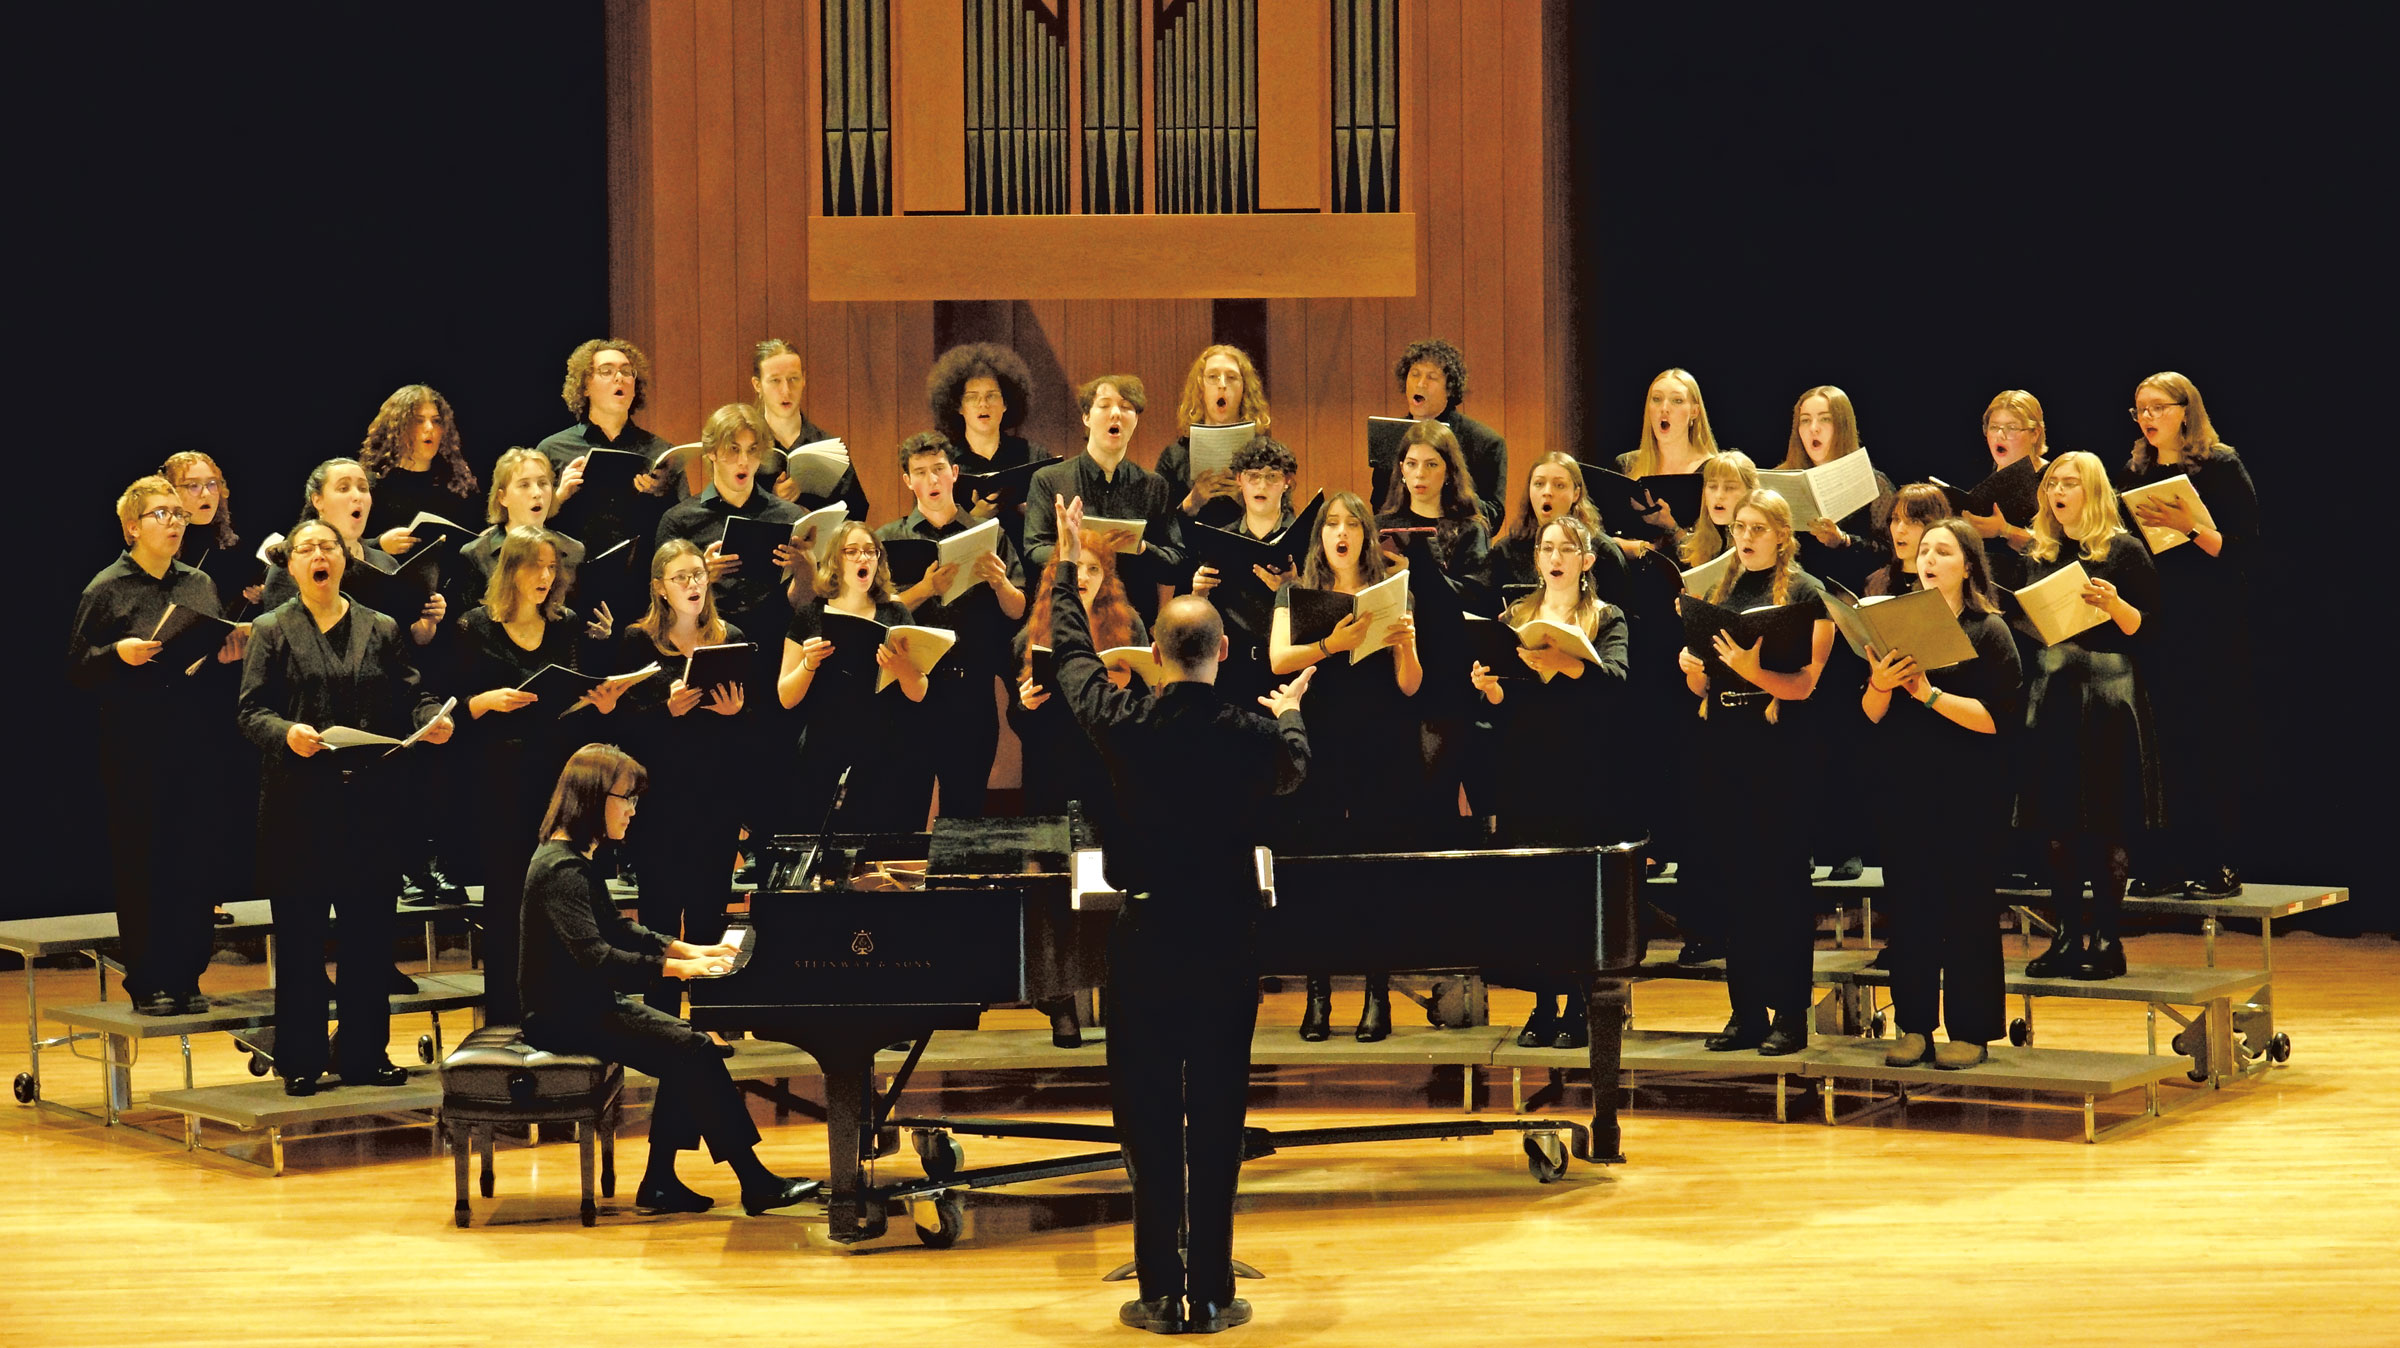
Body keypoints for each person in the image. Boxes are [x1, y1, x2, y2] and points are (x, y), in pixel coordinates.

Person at [1048, 494, 1310, 1337]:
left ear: (1156, 656)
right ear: (1226, 651)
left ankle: (1160, 1288)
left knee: (1151, 1113)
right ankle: (1216, 1291)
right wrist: (1293, 713)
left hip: (1148, 939)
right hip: (1227, 938)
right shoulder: (1249, 735)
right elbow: (1297, 769)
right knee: (1220, 1112)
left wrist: (1065, 571)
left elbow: (1069, 659)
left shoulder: (1126, 725)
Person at [518, 743, 820, 1216]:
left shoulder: (571, 858)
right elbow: (596, 957)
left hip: (583, 1004)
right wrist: (677, 969)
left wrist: (688, 949)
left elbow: (618, 927)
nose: (634, 810)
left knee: (688, 1045)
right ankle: (751, 1180)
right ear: (594, 798)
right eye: (627, 799)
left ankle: (662, 1181)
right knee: (693, 1047)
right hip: (562, 1015)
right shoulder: (561, 869)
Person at [236, 518, 454, 1094]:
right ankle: (301, 1057)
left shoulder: (379, 626)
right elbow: (251, 710)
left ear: (344, 560)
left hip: (369, 805)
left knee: (369, 936)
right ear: (292, 565)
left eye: (326, 547)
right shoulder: (271, 628)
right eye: (305, 549)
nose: (317, 556)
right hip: (298, 806)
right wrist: (286, 733)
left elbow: (414, 692)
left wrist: (430, 722)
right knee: (303, 938)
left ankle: (363, 1053)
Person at [68, 476, 247, 1015]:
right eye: (160, 514)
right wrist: (115, 655)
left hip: (194, 737)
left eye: (177, 513)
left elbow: (207, 669)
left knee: (193, 856)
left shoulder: (199, 585)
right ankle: (148, 978)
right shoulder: (106, 588)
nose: (174, 521)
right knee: (145, 859)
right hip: (134, 742)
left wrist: (224, 657)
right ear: (131, 528)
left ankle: (188, 974)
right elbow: (77, 669)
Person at [452, 526, 637, 1023]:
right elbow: (451, 707)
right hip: (501, 780)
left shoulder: (567, 624)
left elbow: (576, 698)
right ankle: (507, 1016)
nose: (546, 575)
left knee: (570, 889)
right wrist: (484, 702)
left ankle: (570, 1009)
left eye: (552, 567)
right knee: (508, 897)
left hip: (560, 777)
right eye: (535, 565)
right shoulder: (474, 626)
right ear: (510, 570)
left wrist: (601, 705)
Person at [1676, 490, 1835, 1055]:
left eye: (1758, 529)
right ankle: (1744, 1013)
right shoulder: (1720, 589)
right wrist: (1694, 669)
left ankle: (1790, 1014)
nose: (1744, 538)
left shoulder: (1806, 593)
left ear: (1782, 536)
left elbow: (1806, 684)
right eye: (1739, 528)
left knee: (1782, 887)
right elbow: (1703, 686)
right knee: (1734, 883)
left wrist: (1752, 670)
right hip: (1726, 746)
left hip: (1782, 751)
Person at [1859, 520, 2023, 1068]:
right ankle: (1913, 1026)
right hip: (1904, 787)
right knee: (1909, 910)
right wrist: (1881, 685)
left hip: (1967, 792)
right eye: (1924, 550)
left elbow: (1998, 720)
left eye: (1943, 551)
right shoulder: (1893, 623)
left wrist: (1928, 695)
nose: (1928, 558)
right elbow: (1869, 715)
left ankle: (1972, 1029)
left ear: (1968, 565)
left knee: (1968, 911)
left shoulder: (1987, 630)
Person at [1467, 515, 1629, 1048]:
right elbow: (1508, 703)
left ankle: (1581, 1006)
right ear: (1536, 559)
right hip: (1528, 770)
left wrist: (1569, 662)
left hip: (1584, 771)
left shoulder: (1607, 617)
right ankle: (1542, 1005)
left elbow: (1619, 688)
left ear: (1587, 561)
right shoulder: (1515, 616)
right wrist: (1489, 688)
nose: (1555, 557)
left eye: (1566, 549)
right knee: (1534, 892)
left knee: (1575, 894)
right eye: (1546, 548)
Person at [1267, 492, 1422, 1042]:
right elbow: (1279, 659)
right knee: (1319, 871)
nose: (1341, 533)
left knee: (1374, 870)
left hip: (1379, 742)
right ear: (1321, 538)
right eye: (1331, 524)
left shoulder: (1390, 593)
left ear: (1365, 536)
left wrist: (1404, 644)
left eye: (1351, 525)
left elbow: (1409, 685)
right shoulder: (1296, 593)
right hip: (1319, 741)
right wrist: (1332, 644)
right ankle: (1318, 994)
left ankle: (1377, 995)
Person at [2014, 452, 2161, 982]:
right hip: (2054, 686)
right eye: (2052, 482)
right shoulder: (2040, 551)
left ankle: (2107, 937)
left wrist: (2117, 606)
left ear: (2092, 491)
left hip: (2106, 691)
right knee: (2056, 820)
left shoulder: (2123, 551)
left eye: (2069, 483)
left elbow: (2151, 629)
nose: (2058, 490)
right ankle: (2066, 934)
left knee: (2106, 816)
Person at [2115, 371, 2257, 900]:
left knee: (2210, 741)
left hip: (2210, 624)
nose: (2148, 417)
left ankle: (2220, 861)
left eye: (2157, 407)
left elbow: (2244, 547)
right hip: (2156, 620)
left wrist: (2190, 526)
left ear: (2185, 410)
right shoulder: (2136, 470)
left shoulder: (2219, 464)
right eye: (2139, 409)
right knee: (2161, 745)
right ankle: (2168, 861)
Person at [614, 541, 750, 1016]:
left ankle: (713, 1015)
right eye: (680, 577)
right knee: (661, 912)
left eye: (698, 575)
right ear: (660, 589)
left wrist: (735, 714)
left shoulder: (728, 635)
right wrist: (664, 712)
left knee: (711, 908)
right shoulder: (636, 641)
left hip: (716, 796)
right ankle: (663, 1017)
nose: (693, 584)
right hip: (660, 800)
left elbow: (752, 730)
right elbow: (621, 728)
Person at [878, 432, 1027, 821]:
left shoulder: (987, 534)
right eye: (921, 472)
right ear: (907, 480)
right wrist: (926, 589)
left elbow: (1017, 610)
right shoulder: (887, 539)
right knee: (903, 808)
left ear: (955, 473)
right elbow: (876, 613)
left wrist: (999, 582)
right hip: (908, 689)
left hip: (970, 690)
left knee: (966, 809)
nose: (931, 480)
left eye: (939, 470)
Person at [1781, 387, 1891, 882]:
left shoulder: (1871, 483)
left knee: (1846, 737)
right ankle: (1800, 841)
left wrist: (1842, 541)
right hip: (1799, 619)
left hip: (1848, 622)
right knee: (1797, 738)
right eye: (1805, 420)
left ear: (1841, 425)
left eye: (1824, 419)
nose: (1814, 429)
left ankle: (1850, 843)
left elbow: (1891, 554)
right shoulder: (1784, 482)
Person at [777, 523, 930, 832]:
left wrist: (903, 669)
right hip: (824, 748)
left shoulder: (895, 613)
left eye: (870, 552)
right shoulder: (811, 615)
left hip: (884, 749)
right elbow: (786, 697)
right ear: (835, 560)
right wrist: (808, 664)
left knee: (877, 848)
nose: (864, 558)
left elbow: (920, 691)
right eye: (852, 551)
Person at [1023, 375, 1186, 624]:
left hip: (1133, 620)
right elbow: (1034, 551)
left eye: (1126, 407)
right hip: (1067, 616)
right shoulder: (1049, 480)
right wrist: (1081, 549)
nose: (1116, 414)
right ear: (1086, 417)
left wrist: (1142, 548)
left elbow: (1175, 563)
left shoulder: (1155, 486)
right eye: (1105, 405)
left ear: (1136, 420)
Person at [260, 459, 448, 647]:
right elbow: (279, 643)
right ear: (318, 500)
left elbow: (409, 642)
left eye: (363, 488)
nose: (357, 496)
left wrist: (427, 622)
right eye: (343, 488)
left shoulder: (387, 564)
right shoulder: (292, 564)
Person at [1187, 436, 1303, 707]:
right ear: (1239, 480)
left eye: (1272, 476)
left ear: (1286, 482)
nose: (1262, 485)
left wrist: (1293, 589)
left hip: (1287, 669)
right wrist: (1198, 593)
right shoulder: (1219, 539)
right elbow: (1204, 618)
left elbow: (1321, 615)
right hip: (1233, 672)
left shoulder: (1305, 538)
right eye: (1253, 476)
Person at [543, 339, 676, 557]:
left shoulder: (660, 451)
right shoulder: (553, 449)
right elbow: (529, 526)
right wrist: (559, 496)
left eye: (627, 371)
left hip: (640, 580)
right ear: (585, 386)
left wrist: (662, 493)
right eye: (606, 371)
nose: (619, 377)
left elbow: (678, 527)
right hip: (569, 581)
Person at [926, 341, 1054, 553]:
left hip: (1025, 567)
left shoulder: (1034, 456)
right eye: (972, 397)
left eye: (991, 395)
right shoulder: (943, 464)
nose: (983, 404)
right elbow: (928, 536)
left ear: (1006, 404)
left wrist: (1034, 513)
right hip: (967, 572)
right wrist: (974, 519)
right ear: (959, 406)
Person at [1154, 344, 1283, 536]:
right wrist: (1193, 502)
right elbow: (1157, 530)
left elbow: (1285, 524)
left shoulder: (1267, 455)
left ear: (1244, 389)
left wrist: (1249, 499)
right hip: (1191, 561)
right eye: (1212, 377)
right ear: (1201, 388)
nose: (1222, 384)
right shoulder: (1174, 456)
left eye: (1231, 378)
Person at [1387, 339, 1505, 530]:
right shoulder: (1391, 435)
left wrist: (1452, 487)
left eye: (1431, 377)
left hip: (1459, 545)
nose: (1420, 384)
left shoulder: (1485, 441)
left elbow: (1494, 516)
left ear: (1449, 388)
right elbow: (1381, 505)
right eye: (1414, 375)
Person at [358, 385, 480, 557]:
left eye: (436, 421)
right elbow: (341, 545)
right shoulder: (370, 485)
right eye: (418, 420)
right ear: (397, 428)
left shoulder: (457, 485)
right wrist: (378, 545)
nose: (429, 427)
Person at [752, 338, 869, 515]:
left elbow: (856, 510)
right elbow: (726, 510)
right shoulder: (744, 446)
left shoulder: (828, 447)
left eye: (793, 379)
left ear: (804, 380)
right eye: (775, 381)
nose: (786, 390)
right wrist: (771, 499)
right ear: (757, 385)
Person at [1616, 367, 1723, 559]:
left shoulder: (1713, 470)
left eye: (1677, 400)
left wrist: (1671, 527)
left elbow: (1716, 551)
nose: (1664, 408)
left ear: (1694, 412)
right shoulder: (1627, 464)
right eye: (1656, 399)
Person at [1962, 390, 2051, 590]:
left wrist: (2005, 531)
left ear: (2035, 433)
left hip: (2034, 584)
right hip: (1989, 584)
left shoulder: (2053, 478)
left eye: (2011, 428)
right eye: (1994, 427)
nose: (2000, 436)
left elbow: (2062, 546)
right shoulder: (1984, 477)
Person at [464, 447, 585, 584]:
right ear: (502, 497)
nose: (537, 493)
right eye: (524, 485)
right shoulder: (477, 554)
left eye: (543, 483)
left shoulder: (573, 551)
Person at [1863, 484, 1953, 597]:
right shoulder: (1877, 583)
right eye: (1896, 519)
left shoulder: (1950, 583)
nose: (1900, 529)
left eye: (1913, 521)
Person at [1678, 450, 1759, 570]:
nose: (1719, 495)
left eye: (1730, 488)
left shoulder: (1762, 546)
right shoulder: (1696, 544)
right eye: (1712, 486)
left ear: (1750, 493)